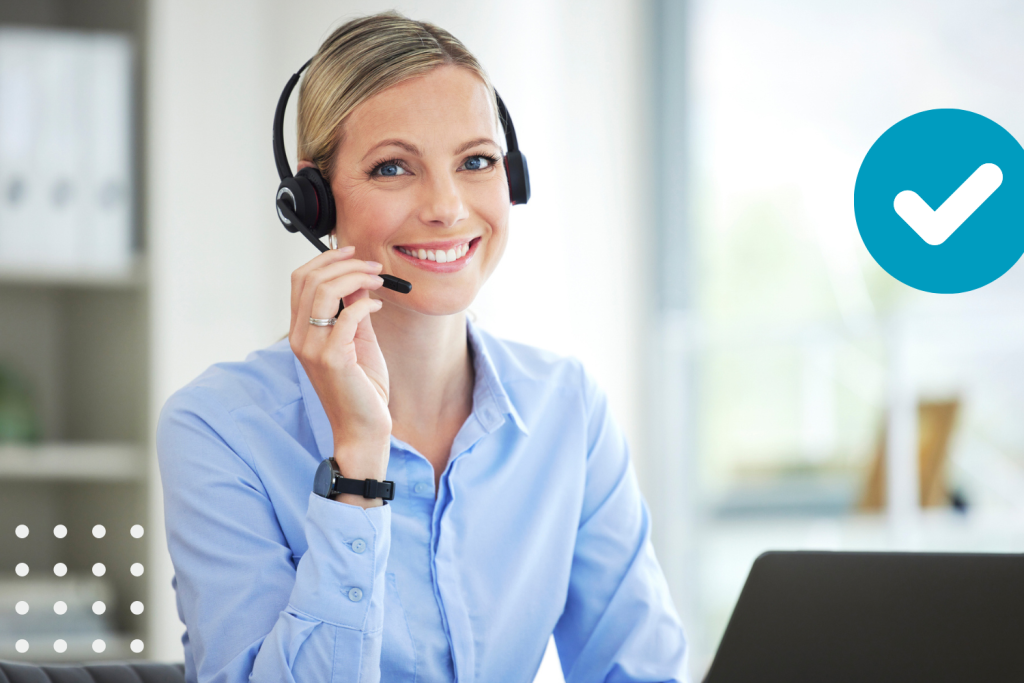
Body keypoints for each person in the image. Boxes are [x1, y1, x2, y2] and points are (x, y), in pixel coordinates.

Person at [156, 11, 686, 683]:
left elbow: (640, 670)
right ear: (311, 200)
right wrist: (357, 465)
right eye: (393, 167)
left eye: (476, 161)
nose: (447, 206)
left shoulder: (566, 410)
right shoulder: (218, 426)